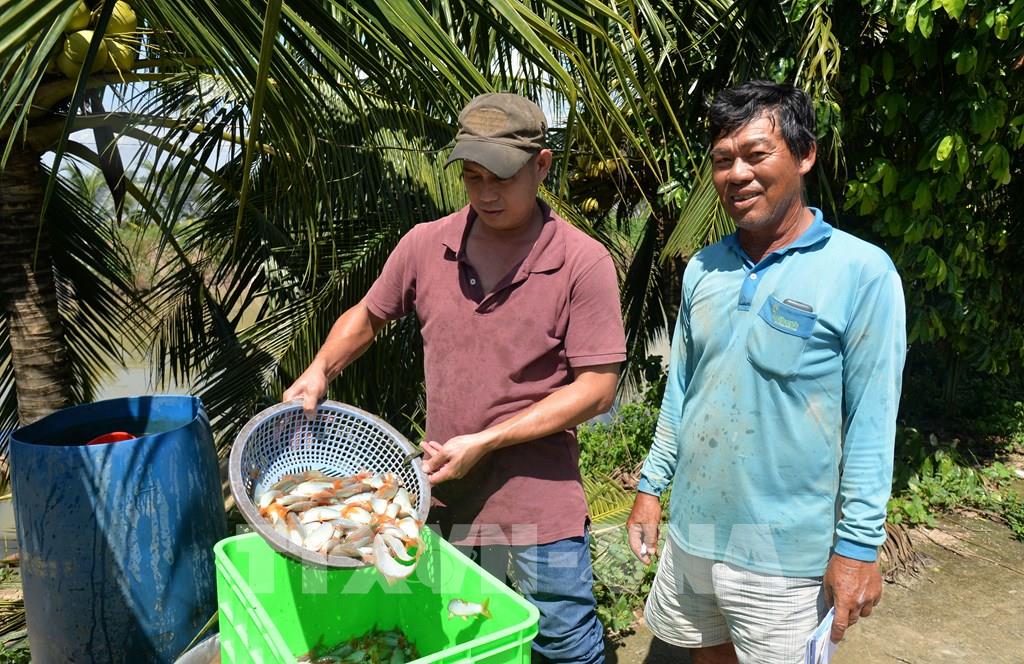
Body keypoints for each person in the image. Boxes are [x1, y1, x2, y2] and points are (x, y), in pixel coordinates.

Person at [283, 92, 625, 664]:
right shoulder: (425, 243)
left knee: (566, 642)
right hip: (444, 498)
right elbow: (368, 317)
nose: (486, 194)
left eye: (502, 178)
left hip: (540, 504)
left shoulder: (583, 262)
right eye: (471, 177)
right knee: (463, 635)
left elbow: (597, 388)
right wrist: (320, 368)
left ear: (541, 165)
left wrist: (488, 440)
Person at [626, 80, 906, 664]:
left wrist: (856, 548)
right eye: (723, 160)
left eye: (757, 154)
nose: (737, 174)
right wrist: (651, 488)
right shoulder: (704, 268)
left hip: (787, 564)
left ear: (804, 156)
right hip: (693, 537)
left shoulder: (861, 272)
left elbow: (872, 428)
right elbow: (683, 390)